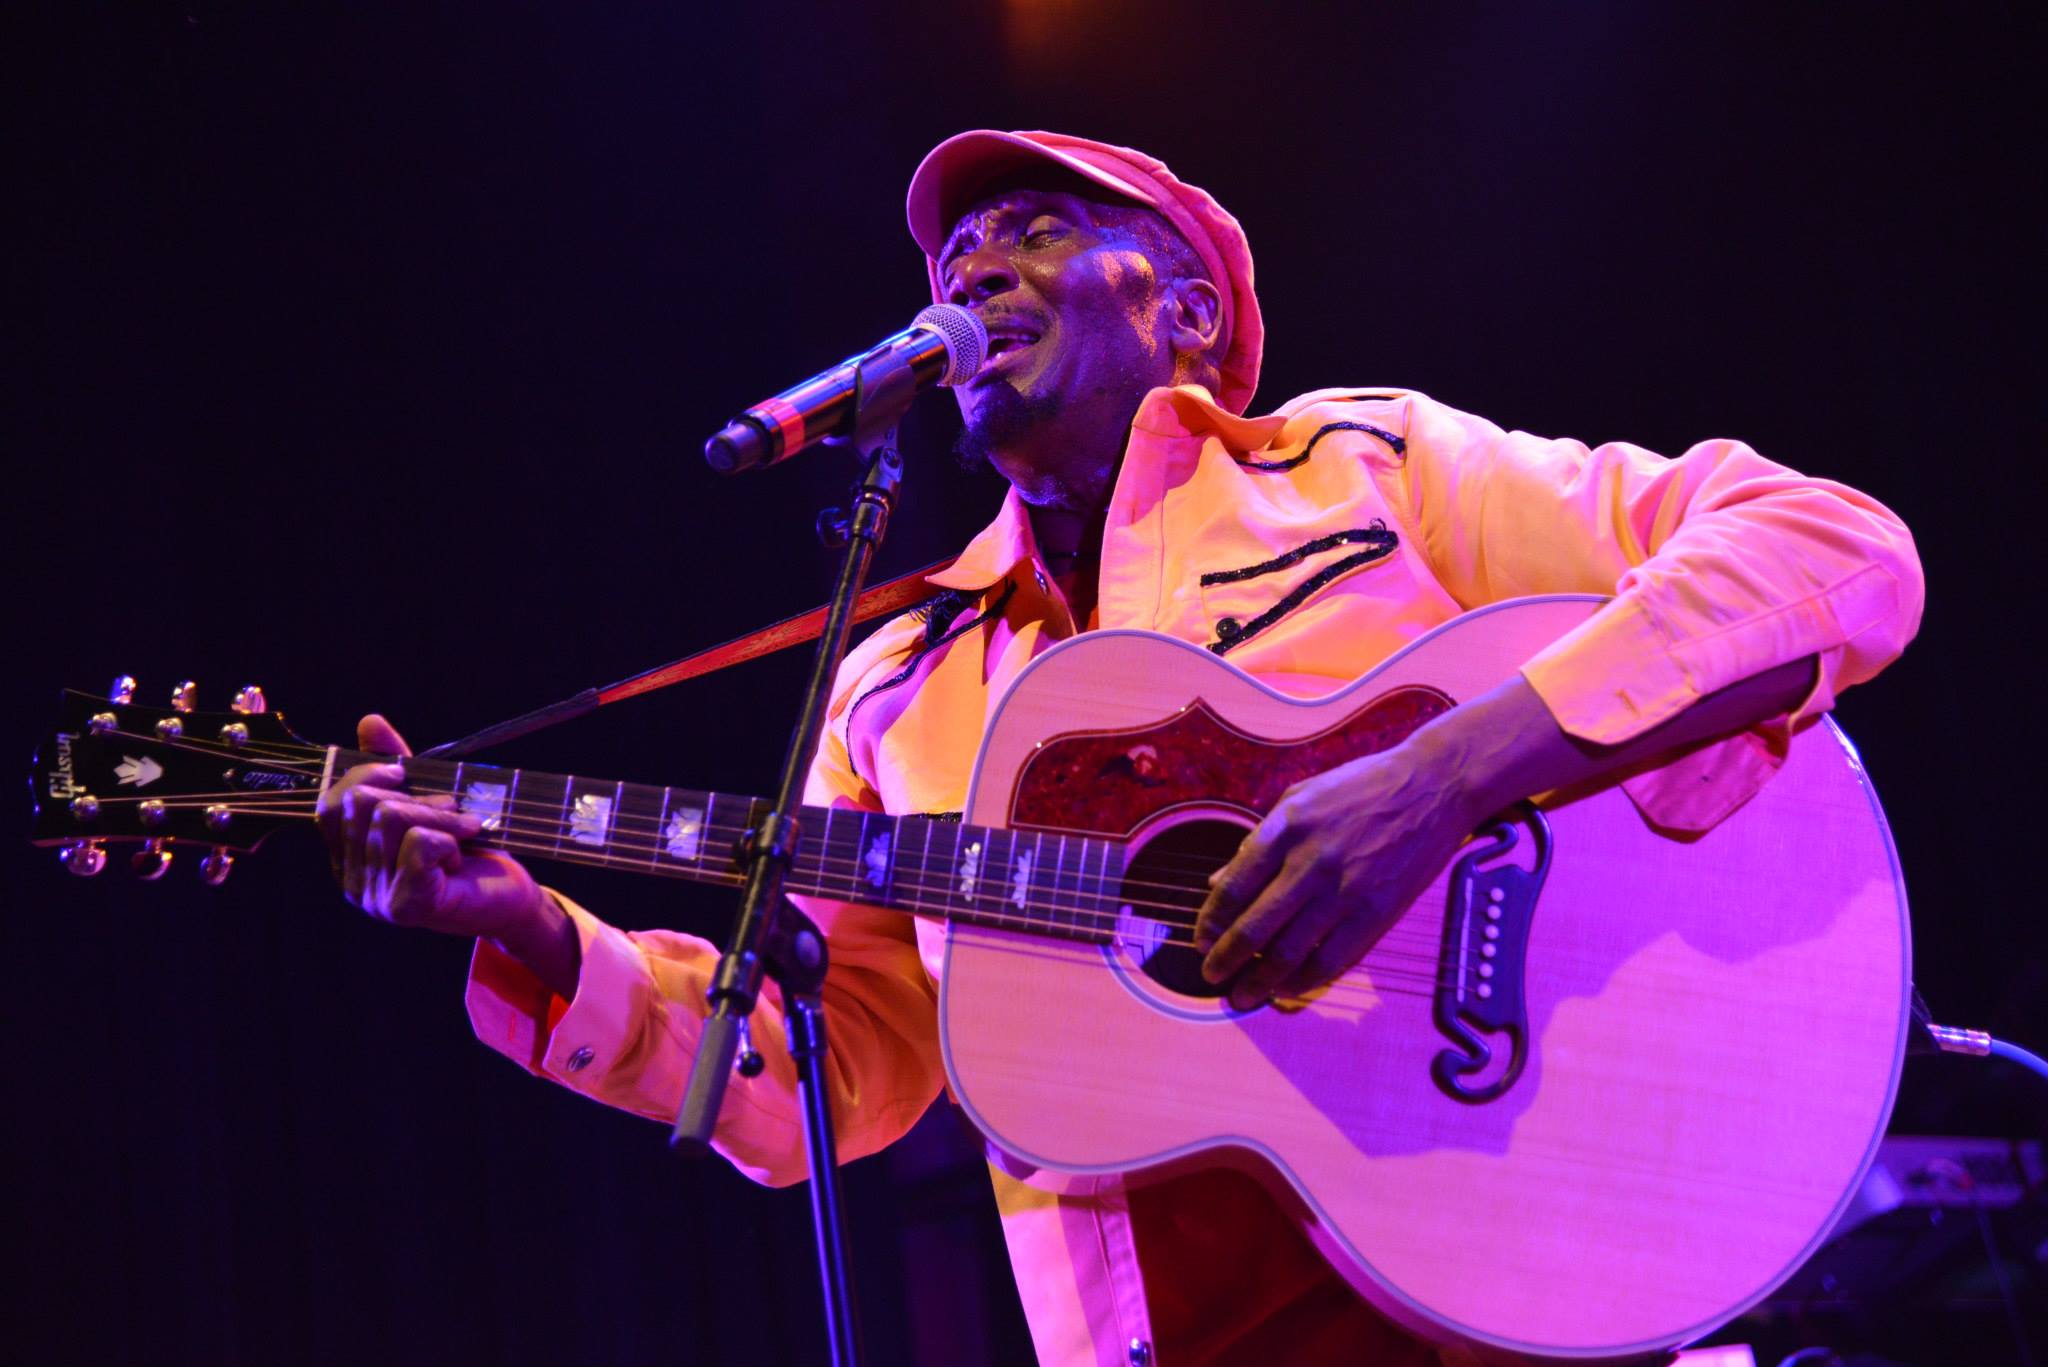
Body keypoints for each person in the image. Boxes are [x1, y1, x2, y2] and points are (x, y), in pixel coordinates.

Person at [319, 130, 1924, 1365]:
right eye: (956, 256)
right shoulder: (892, 682)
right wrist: (541, 933)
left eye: (1035, 230)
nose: (974, 272)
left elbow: (1829, 549)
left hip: (1528, 1265)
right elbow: (830, 1076)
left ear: (1191, 311)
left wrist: (1443, 781)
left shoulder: (1362, 469)